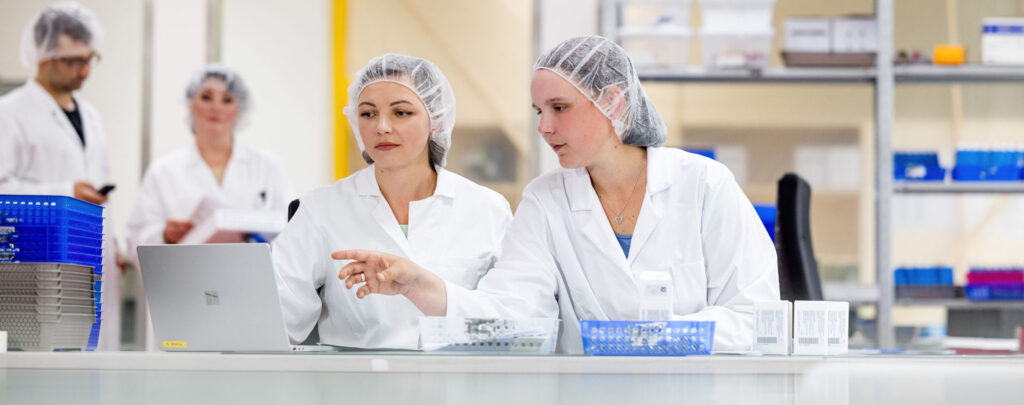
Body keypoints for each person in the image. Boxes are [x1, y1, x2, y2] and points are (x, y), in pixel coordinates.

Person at [336, 36, 780, 353]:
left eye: (560, 108)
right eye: (538, 111)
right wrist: (419, 283)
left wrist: (655, 336)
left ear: (614, 102)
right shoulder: (545, 201)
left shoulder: (703, 185)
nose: (544, 127)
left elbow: (755, 317)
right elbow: (514, 316)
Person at [270, 54, 512, 349]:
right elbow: (277, 319)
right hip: (356, 389)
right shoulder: (321, 209)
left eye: (401, 113)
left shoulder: (487, 209)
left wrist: (427, 289)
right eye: (368, 114)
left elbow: (514, 321)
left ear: (435, 119)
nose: (382, 127)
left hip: (458, 388)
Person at [0, 2, 122, 351]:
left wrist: (115, 248)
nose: (84, 70)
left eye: (89, 59)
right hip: (41, 263)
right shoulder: (10, 113)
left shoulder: (92, 116)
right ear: (43, 55)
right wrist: (65, 193)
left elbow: (100, 183)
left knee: (95, 360)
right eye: (74, 61)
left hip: (92, 256)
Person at [125, 64, 294, 249]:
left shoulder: (268, 167)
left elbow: (292, 231)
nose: (216, 107)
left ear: (239, 109)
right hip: (187, 275)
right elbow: (135, 239)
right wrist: (165, 236)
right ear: (191, 104)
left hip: (252, 275)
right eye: (206, 97)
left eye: (227, 100)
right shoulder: (163, 172)